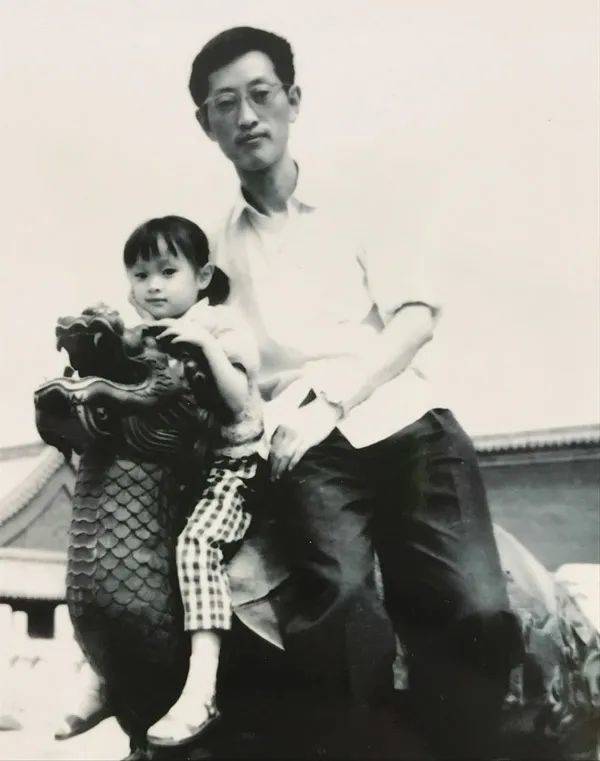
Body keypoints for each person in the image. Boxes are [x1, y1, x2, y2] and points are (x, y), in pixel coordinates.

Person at [187, 26, 523, 758]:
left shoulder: (360, 202)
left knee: (476, 609)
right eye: (225, 104)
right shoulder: (210, 249)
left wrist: (336, 400)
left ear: (293, 100)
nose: (247, 116)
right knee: (336, 609)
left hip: (407, 421)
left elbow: (415, 318)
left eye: (261, 95)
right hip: (303, 449)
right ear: (205, 123)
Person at [55, 214, 266, 749]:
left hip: (231, 466)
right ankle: (103, 673)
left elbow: (237, 400)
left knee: (196, 546)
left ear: (202, 276)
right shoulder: (141, 329)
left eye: (168, 272)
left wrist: (204, 345)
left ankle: (202, 685)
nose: (153, 286)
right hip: (177, 470)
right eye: (141, 274)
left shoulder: (220, 324)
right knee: (111, 541)